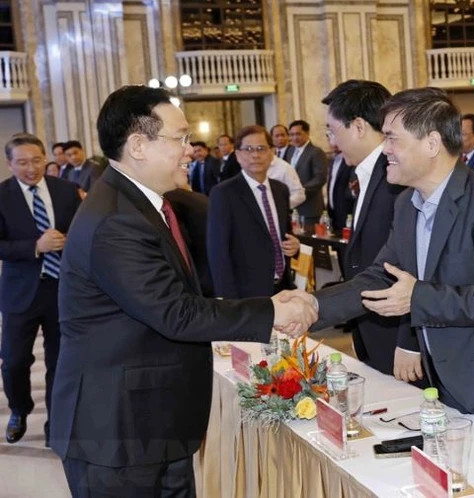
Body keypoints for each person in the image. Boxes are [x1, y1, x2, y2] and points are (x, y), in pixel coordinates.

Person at [50, 86, 317, 497]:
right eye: (180, 138)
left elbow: (175, 298)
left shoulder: (142, 204)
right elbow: (175, 313)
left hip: (154, 420)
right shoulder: (115, 220)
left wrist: (264, 304)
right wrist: (271, 313)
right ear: (138, 145)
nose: (190, 150)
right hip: (118, 433)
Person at [313, 87, 474, 440]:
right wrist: (311, 307)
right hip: (441, 387)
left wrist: (418, 299)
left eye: (392, 138)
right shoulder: (407, 203)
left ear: (432, 143)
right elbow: (380, 276)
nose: (385, 149)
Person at [312, 79, 420, 379]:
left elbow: (415, 268)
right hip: (370, 322)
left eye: (333, 131)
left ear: (358, 126)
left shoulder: (397, 175)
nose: (332, 140)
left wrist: (410, 343)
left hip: (396, 332)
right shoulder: (366, 173)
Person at [0, 134, 82, 446]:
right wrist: (35, 246)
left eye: (36, 160)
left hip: (62, 290)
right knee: (14, 360)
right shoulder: (2, 196)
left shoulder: (66, 191)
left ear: (45, 158)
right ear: (10, 165)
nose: (31, 168)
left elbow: (82, 232)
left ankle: (57, 423)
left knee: (60, 361)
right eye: (22, 162)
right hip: (20, 292)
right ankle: (19, 408)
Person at [207, 125, 300, 298]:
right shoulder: (224, 193)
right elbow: (218, 252)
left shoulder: (281, 190)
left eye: (261, 148)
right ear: (238, 155)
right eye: (248, 149)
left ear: (272, 153)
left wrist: (295, 245)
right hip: (247, 293)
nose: (255, 155)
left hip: (283, 287)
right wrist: (228, 301)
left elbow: (285, 234)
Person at [288, 120, 328, 232]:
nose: (294, 137)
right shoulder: (290, 151)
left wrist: (300, 192)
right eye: (292, 134)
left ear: (307, 133)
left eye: (298, 134)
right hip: (293, 207)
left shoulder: (316, 152)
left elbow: (320, 178)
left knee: (311, 243)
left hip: (310, 207)